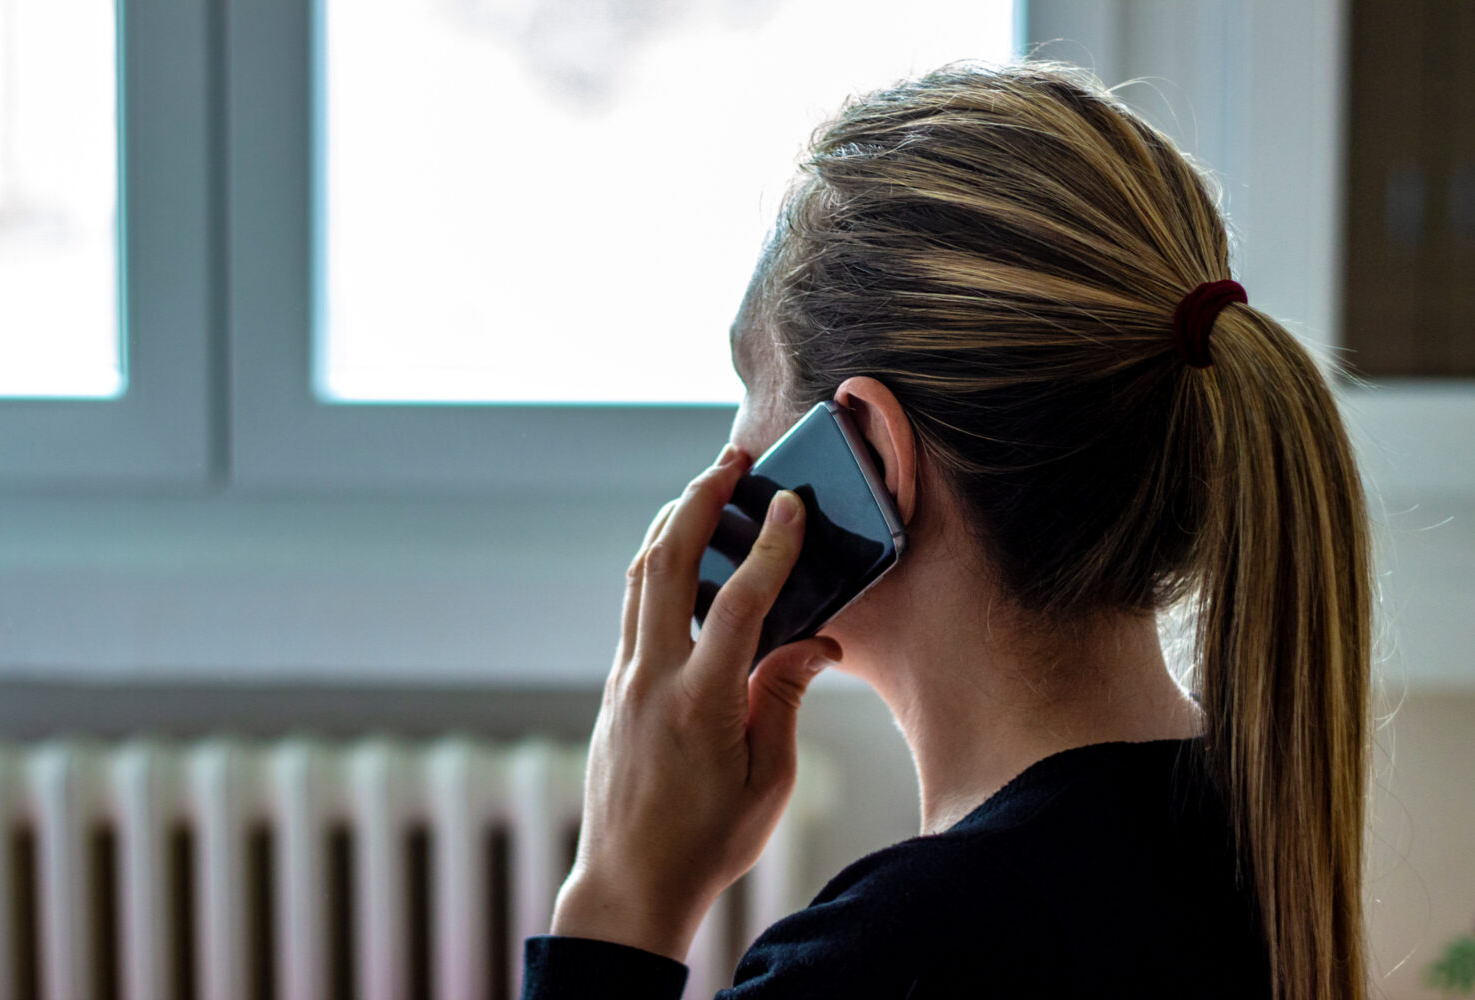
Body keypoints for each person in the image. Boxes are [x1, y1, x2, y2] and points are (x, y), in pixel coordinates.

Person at [521, 61, 1371, 1000]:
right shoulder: (1251, 839)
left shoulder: (902, 955)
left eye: (748, 383)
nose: (732, 450)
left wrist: (620, 893)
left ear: (874, 459)